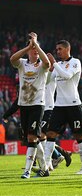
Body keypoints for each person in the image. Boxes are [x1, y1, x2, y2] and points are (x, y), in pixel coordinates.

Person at [44, 40, 82, 175]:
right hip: (59, 105)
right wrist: (50, 70)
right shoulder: (59, 66)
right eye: (56, 49)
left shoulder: (75, 62)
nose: (58, 51)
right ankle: (46, 165)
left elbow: (67, 76)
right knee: (50, 134)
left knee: (78, 135)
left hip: (74, 104)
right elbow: (46, 82)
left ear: (67, 49)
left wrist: (55, 64)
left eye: (60, 49)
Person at [10, 32, 50, 178]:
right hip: (24, 104)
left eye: (36, 49)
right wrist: (28, 47)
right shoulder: (22, 63)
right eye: (33, 49)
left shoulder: (41, 66)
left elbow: (48, 63)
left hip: (37, 105)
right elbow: (12, 59)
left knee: (32, 137)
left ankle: (27, 170)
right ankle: (44, 169)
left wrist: (36, 45)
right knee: (31, 137)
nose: (35, 50)